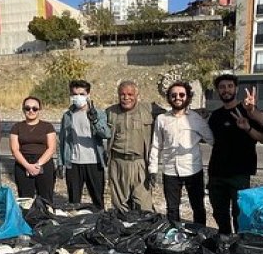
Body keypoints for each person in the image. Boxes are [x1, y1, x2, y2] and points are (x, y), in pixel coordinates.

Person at [149, 81, 214, 224]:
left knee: (197, 207)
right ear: (168, 98)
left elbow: (212, 141)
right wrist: (152, 169)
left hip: (193, 170)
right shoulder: (161, 119)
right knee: (172, 209)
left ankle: (199, 237)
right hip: (170, 171)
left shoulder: (196, 119)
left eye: (181, 94)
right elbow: (156, 145)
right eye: (173, 95)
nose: (177, 97)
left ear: (188, 97)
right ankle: (175, 238)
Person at [206, 74, 263, 233]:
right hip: (216, 173)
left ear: (236, 88)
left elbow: (262, 138)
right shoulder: (215, 116)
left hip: (240, 173)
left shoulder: (249, 112)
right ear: (218, 90)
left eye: (230, 86)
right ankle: (224, 243)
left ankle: (238, 246)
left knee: (239, 214)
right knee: (220, 214)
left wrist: (247, 128)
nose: (226, 90)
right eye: (222, 87)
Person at [104, 80, 160, 212]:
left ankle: (144, 230)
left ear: (137, 95)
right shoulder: (110, 112)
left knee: (144, 206)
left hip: (140, 164)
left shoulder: (149, 110)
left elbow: (172, 114)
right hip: (117, 163)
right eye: (122, 94)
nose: (126, 98)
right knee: (119, 206)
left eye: (130, 94)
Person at [55, 79, 111, 208]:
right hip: (74, 163)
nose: (78, 97)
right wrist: (60, 163)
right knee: (74, 201)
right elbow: (63, 140)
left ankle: (99, 223)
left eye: (81, 94)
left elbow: (106, 134)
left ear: (88, 95)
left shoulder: (99, 114)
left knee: (98, 200)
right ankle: (76, 224)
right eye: (75, 94)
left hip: (94, 162)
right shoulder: (68, 116)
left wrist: (95, 120)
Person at [8, 96, 58, 203]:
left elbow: (51, 148)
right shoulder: (16, 127)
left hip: (44, 162)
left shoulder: (47, 126)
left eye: (34, 108)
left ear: (39, 110)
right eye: (28, 108)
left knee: (46, 198)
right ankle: (27, 219)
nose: (31, 111)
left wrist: (37, 165)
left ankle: (46, 218)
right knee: (25, 199)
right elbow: (15, 149)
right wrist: (27, 166)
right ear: (23, 109)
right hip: (23, 163)